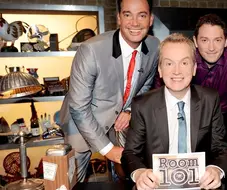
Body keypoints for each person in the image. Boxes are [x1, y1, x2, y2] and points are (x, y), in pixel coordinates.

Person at [59, 0, 159, 182]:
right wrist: (107, 149)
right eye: (128, 14)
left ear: (150, 20)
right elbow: (78, 107)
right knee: (73, 182)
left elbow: (146, 83)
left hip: (118, 123)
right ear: (119, 18)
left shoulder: (154, 47)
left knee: (123, 179)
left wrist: (129, 110)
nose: (135, 23)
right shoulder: (90, 50)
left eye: (142, 15)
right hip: (81, 126)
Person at [121, 33, 227, 190]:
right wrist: (139, 173)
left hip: (200, 185)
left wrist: (216, 170)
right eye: (169, 64)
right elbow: (130, 153)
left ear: (194, 68)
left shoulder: (210, 99)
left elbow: (221, 148)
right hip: (157, 186)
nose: (176, 71)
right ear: (160, 69)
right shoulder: (143, 105)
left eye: (184, 63)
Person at [154, 14, 227, 160]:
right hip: (187, 114)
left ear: (226, 41)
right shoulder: (186, 57)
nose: (211, 48)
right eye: (204, 40)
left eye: (217, 40)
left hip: (224, 118)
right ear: (195, 41)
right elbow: (159, 91)